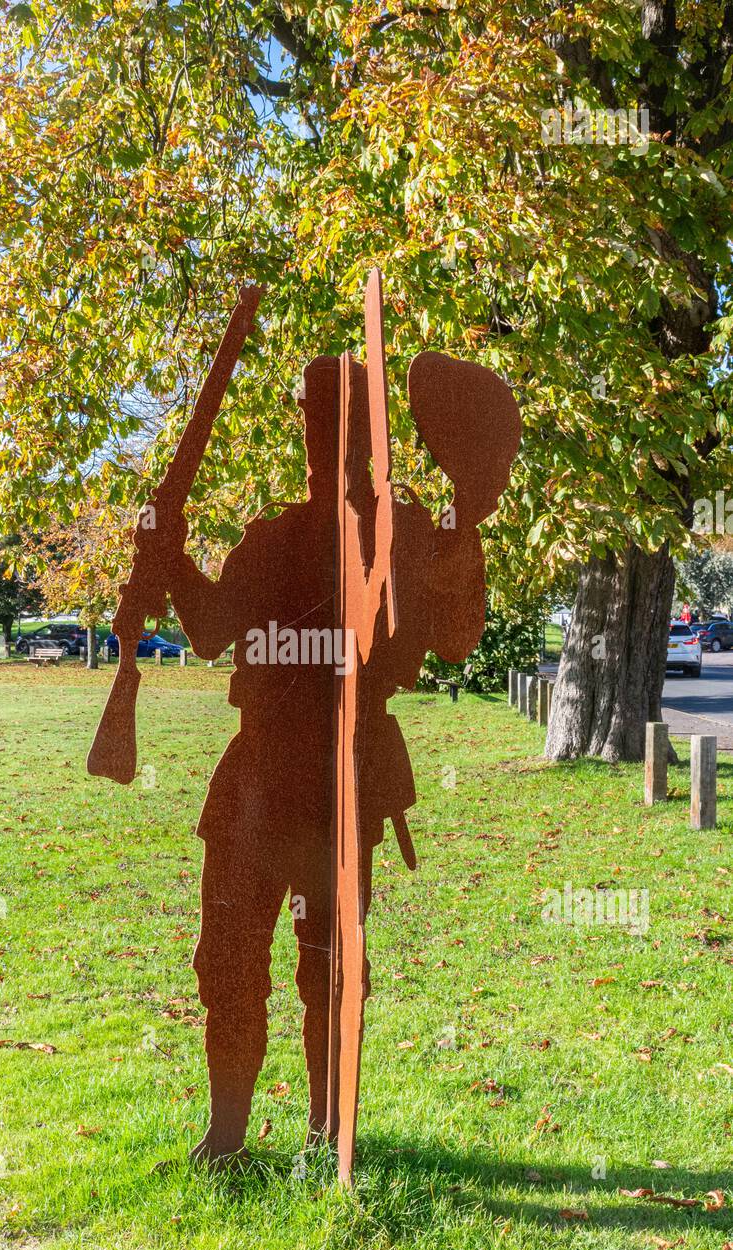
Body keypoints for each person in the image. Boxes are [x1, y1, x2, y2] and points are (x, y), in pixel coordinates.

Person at [155, 352, 519, 1163]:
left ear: (370, 438)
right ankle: (226, 1133)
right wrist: (169, 558)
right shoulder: (273, 538)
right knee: (227, 956)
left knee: (329, 960)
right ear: (307, 436)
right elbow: (213, 630)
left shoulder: (409, 536)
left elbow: (457, 640)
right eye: (318, 428)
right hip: (256, 774)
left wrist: (462, 531)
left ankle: (329, 1131)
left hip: (344, 775)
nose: (330, 447)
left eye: (346, 429)